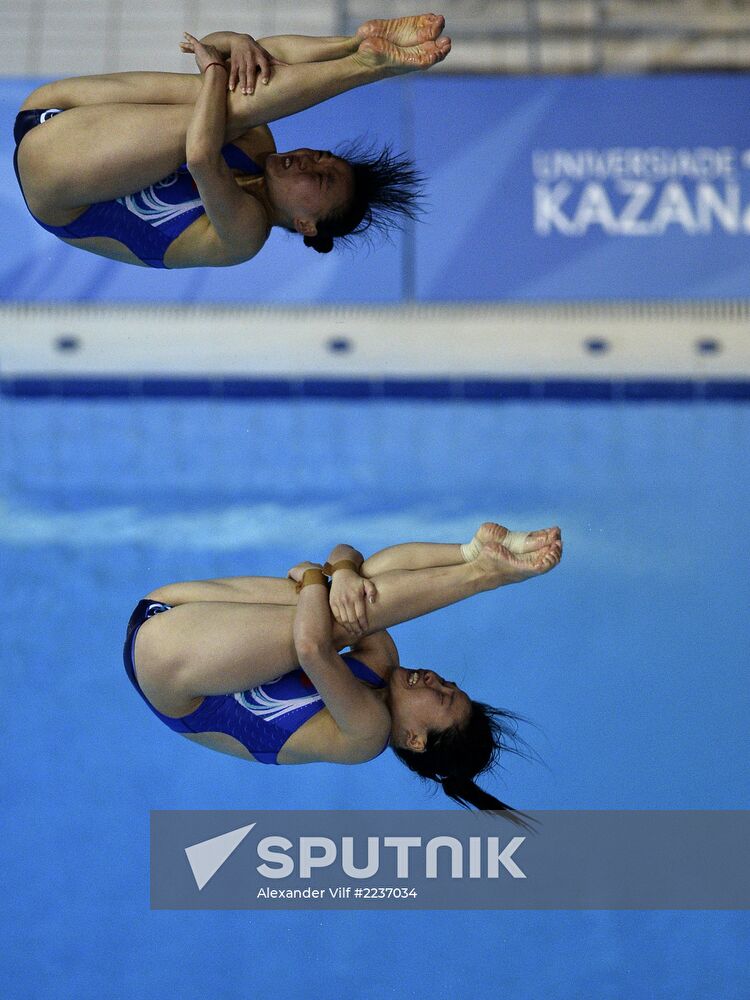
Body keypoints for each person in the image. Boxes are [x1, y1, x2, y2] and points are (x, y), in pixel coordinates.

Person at [124, 522, 562, 826]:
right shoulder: (382, 659)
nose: (436, 679)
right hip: (167, 608)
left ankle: (482, 575)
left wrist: (320, 578)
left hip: (166, 665)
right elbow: (345, 553)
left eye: (442, 696)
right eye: (450, 683)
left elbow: (311, 648)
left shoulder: (367, 734)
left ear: (415, 739)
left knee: (338, 615)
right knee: (359, 590)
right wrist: (342, 574)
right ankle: (468, 552)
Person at [13, 15, 450, 268]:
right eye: (320, 156)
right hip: (51, 107)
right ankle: (355, 44)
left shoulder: (246, 236)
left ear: (305, 224)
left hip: (54, 182)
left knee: (230, 106)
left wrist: (215, 68)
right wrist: (238, 44)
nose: (306, 161)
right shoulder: (257, 142)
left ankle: (367, 65)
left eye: (318, 179)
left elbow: (201, 156)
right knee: (247, 82)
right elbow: (209, 47)